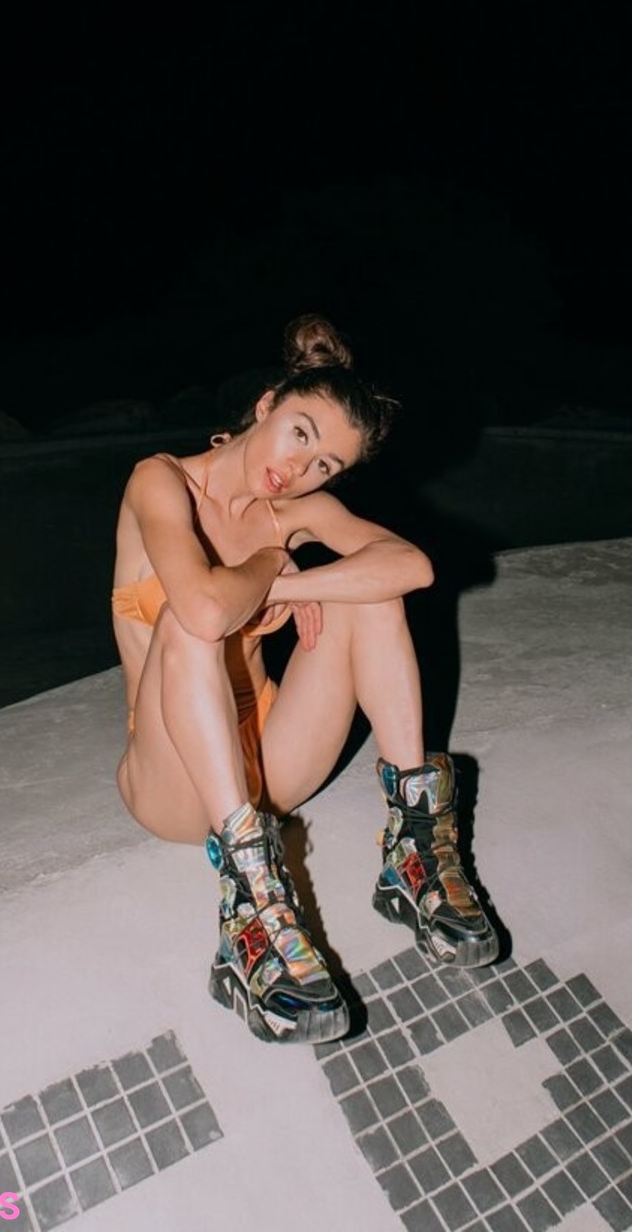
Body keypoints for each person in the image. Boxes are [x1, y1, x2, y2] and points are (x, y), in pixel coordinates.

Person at [112, 313, 499, 1045]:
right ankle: (252, 912)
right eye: (300, 434)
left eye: (326, 465)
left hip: (273, 767)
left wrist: (295, 586)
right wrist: (269, 563)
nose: (300, 469)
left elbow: (411, 567)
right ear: (266, 405)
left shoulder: (299, 511)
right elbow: (204, 607)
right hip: (174, 785)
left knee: (370, 592)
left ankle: (415, 846)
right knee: (191, 622)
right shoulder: (160, 481)